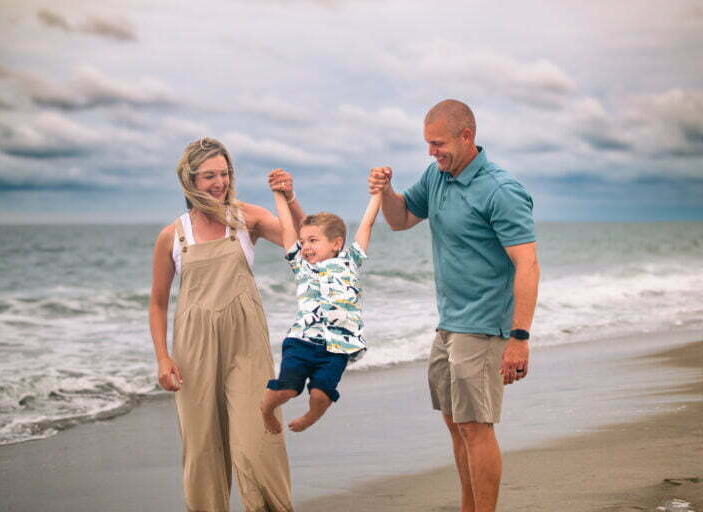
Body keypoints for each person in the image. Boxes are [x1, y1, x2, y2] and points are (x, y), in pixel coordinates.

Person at [368, 99, 540, 512]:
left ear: (467, 137)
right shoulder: (437, 176)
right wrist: (386, 192)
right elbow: (400, 219)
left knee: (475, 427)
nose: (431, 152)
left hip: (484, 326)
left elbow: (528, 264)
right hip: (448, 323)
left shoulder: (501, 190)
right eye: (428, 144)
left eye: (438, 143)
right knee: (454, 422)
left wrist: (519, 338)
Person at [148, 137, 302, 512]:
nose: (220, 182)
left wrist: (289, 199)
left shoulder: (245, 217)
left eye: (225, 173)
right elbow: (157, 301)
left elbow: (298, 241)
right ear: (190, 181)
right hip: (193, 347)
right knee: (202, 449)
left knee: (257, 443)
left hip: (245, 343)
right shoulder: (173, 235)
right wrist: (163, 358)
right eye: (209, 176)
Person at [260, 178, 381, 434]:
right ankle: (266, 409)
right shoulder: (301, 266)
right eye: (303, 242)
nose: (305, 247)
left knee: (321, 395)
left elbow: (367, 225)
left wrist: (378, 193)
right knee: (287, 389)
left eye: (313, 240)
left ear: (336, 243)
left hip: (338, 346)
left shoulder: (350, 261)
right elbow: (287, 231)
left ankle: (312, 416)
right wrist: (279, 195)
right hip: (301, 341)